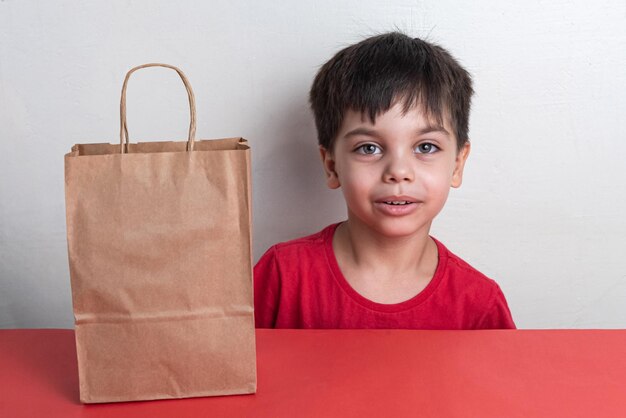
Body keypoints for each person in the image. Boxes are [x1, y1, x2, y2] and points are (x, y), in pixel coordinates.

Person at [254, 32, 515, 329]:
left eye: (425, 147)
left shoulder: (479, 303)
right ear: (332, 166)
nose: (399, 171)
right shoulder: (282, 275)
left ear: (457, 164)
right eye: (369, 148)